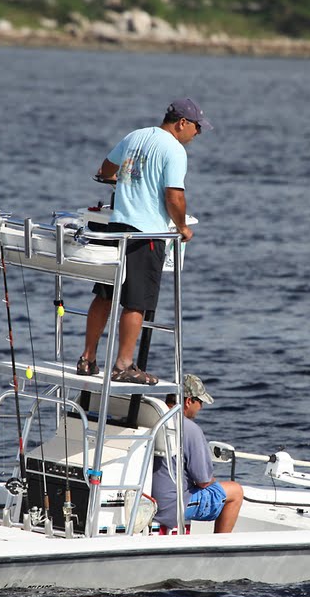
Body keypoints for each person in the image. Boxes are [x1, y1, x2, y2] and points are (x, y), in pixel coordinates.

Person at [77, 98, 212, 385]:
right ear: (182, 123)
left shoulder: (135, 136)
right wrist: (183, 227)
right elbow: (174, 196)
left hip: (116, 227)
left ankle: (87, 359)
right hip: (147, 233)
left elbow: (105, 170)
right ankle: (123, 365)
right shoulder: (174, 150)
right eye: (197, 127)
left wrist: (126, 184)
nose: (198, 134)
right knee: (137, 303)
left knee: (104, 295)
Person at [151, 374, 243, 533]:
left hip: (148, 499)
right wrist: (212, 480)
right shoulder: (189, 428)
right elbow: (203, 481)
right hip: (171, 506)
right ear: (188, 401)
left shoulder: (152, 418)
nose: (201, 407)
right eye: (200, 402)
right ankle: (219, 548)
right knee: (235, 491)